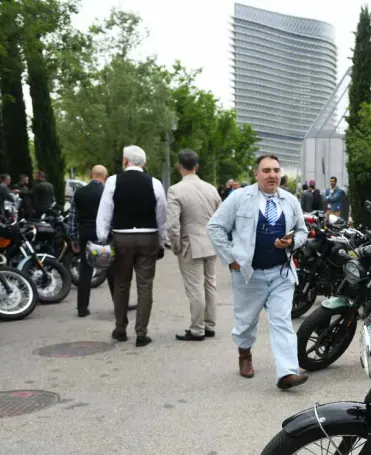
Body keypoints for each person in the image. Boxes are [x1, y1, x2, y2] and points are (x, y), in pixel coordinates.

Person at [207, 154, 309, 390]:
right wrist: (231, 258)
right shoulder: (240, 198)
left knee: (282, 321)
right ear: (256, 174)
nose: (272, 175)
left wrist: (292, 243)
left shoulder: (290, 200)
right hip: (248, 275)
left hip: (281, 274)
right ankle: (244, 353)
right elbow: (215, 227)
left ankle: (287, 373)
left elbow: (302, 231)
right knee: (245, 322)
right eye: (266, 170)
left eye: (276, 170)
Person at [96, 145, 167, 347]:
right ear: (143, 163)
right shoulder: (155, 183)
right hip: (148, 237)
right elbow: (161, 213)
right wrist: (161, 240)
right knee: (145, 286)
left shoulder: (113, 181)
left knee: (121, 284)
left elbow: (105, 211)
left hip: (122, 237)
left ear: (126, 161)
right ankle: (141, 333)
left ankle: (120, 328)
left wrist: (102, 237)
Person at [166, 149, 222, 342]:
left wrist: (175, 246)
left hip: (190, 244)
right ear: (197, 166)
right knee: (210, 285)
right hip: (210, 243)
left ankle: (197, 328)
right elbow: (220, 217)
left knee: (195, 287)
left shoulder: (175, 190)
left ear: (179, 166)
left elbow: (172, 224)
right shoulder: (211, 188)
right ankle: (210, 325)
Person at [71, 165, 131, 317]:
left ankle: (82, 308)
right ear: (106, 176)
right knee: (112, 268)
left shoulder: (79, 192)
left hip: (85, 231)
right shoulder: (108, 192)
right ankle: (119, 304)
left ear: (91, 174)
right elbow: (114, 214)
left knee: (85, 268)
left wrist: (73, 237)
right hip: (105, 232)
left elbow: (72, 216)